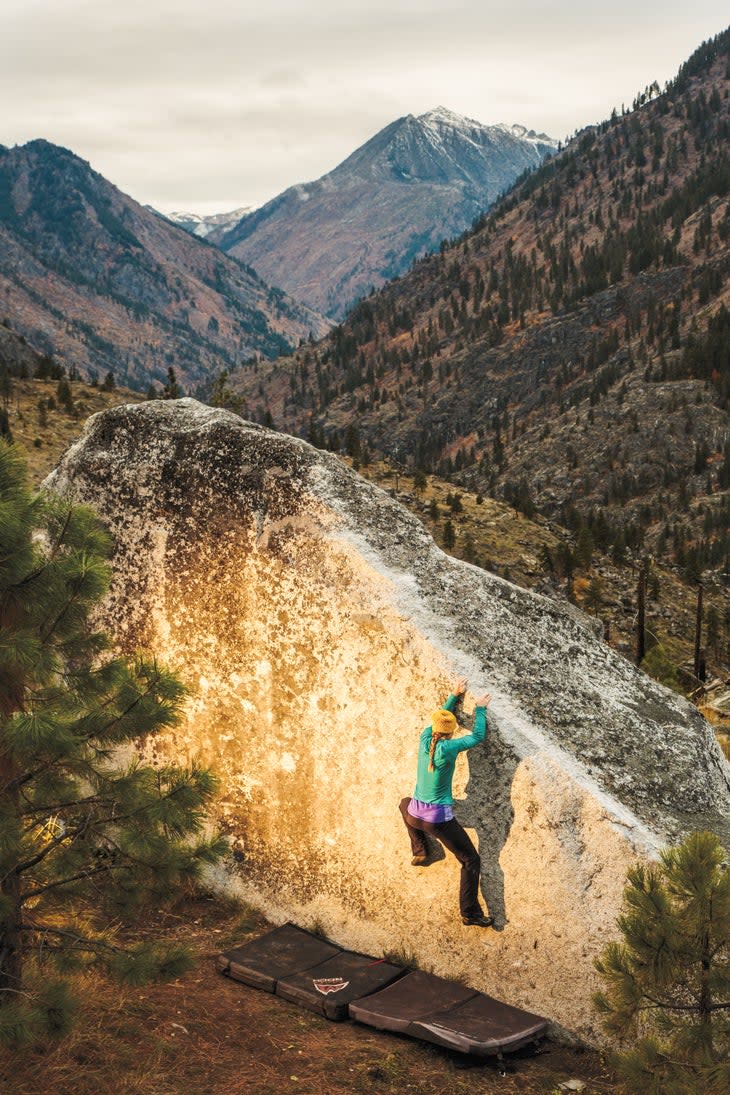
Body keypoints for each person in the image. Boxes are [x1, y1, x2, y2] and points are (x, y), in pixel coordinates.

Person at [399, 677, 493, 928]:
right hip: (436, 821)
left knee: (403, 803)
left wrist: (454, 695)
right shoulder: (449, 748)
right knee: (471, 860)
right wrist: (480, 709)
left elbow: (439, 717)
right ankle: (470, 913)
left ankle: (420, 850)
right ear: (451, 732)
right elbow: (478, 736)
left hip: (414, 814)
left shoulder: (423, 740)